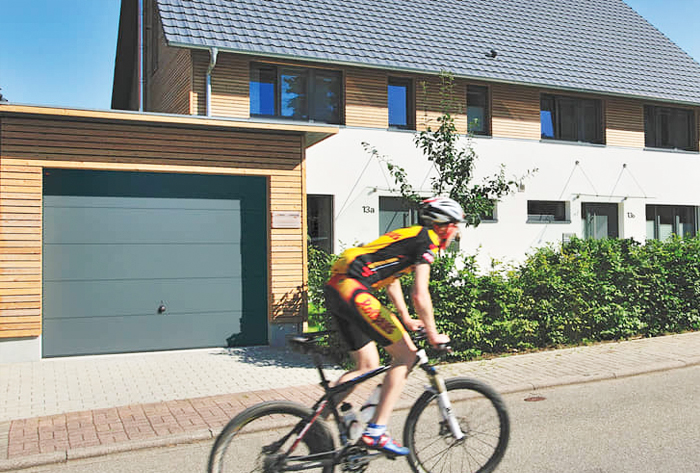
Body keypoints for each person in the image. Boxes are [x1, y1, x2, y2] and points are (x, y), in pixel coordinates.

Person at [323, 196, 465, 456]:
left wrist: (406, 318)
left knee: (367, 366)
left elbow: (391, 280)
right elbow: (420, 293)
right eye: (456, 226)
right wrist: (433, 334)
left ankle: (313, 421)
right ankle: (376, 431)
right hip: (354, 289)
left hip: (338, 287)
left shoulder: (410, 235)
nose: (456, 232)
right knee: (406, 356)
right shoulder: (426, 242)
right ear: (445, 225)